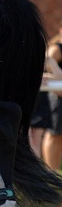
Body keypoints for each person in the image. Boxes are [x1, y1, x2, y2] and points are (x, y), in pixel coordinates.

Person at [40, 22, 62, 170]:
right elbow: (43, 65)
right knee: (54, 134)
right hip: (57, 97)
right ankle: (50, 170)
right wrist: (54, 80)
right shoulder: (57, 49)